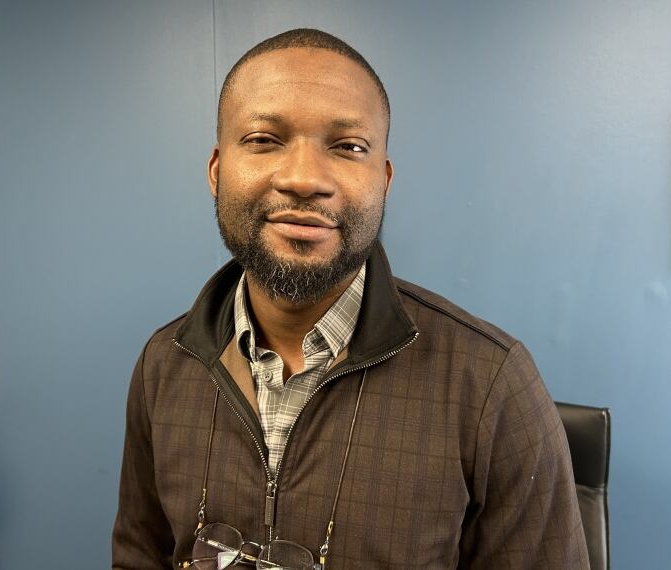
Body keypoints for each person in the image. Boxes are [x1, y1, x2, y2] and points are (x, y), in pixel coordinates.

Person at [113, 28, 589, 569]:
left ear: (383, 180)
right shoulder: (164, 364)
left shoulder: (491, 385)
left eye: (348, 147)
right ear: (217, 171)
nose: (303, 179)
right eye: (265, 139)